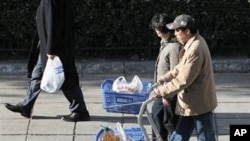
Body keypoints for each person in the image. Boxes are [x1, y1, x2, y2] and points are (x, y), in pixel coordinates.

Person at [4, 0, 90, 122]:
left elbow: (53, 22)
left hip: (56, 47)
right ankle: (26, 106)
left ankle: (80, 111)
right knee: (37, 74)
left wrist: (50, 49)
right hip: (51, 45)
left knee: (67, 78)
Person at [151, 14, 218, 141]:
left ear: (187, 31)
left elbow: (183, 80)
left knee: (205, 137)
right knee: (179, 135)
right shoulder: (193, 43)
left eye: (177, 30)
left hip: (199, 104)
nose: (175, 34)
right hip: (192, 103)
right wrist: (167, 76)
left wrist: (161, 91)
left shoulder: (195, 49)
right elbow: (181, 67)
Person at [150, 13, 181, 141]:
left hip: (168, 93)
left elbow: (175, 71)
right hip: (162, 90)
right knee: (158, 119)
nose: (157, 32)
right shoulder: (165, 42)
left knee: (166, 122)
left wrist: (167, 95)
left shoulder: (174, 47)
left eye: (158, 29)